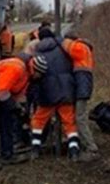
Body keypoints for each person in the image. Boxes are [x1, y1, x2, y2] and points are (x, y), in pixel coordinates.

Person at [0, 54, 48, 171]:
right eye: (40, 75)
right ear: (36, 70)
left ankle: (7, 155)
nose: (39, 78)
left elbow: (19, 94)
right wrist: (14, 107)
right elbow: (1, 91)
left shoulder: (28, 75)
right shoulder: (16, 68)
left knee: (6, 123)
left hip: (0, 95)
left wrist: (22, 112)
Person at [30, 28, 81, 161]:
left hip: (47, 92)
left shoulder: (37, 52)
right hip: (66, 90)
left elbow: (36, 75)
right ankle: (74, 150)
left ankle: (35, 149)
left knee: (38, 121)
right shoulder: (63, 48)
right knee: (69, 122)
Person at [61, 31, 98, 153]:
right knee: (79, 116)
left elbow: (66, 46)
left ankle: (91, 146)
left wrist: (58, 40)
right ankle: (81, 142)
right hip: (84, 85)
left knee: (80, 118)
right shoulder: (84, 47)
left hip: (83, 86)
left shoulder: (78, 46)